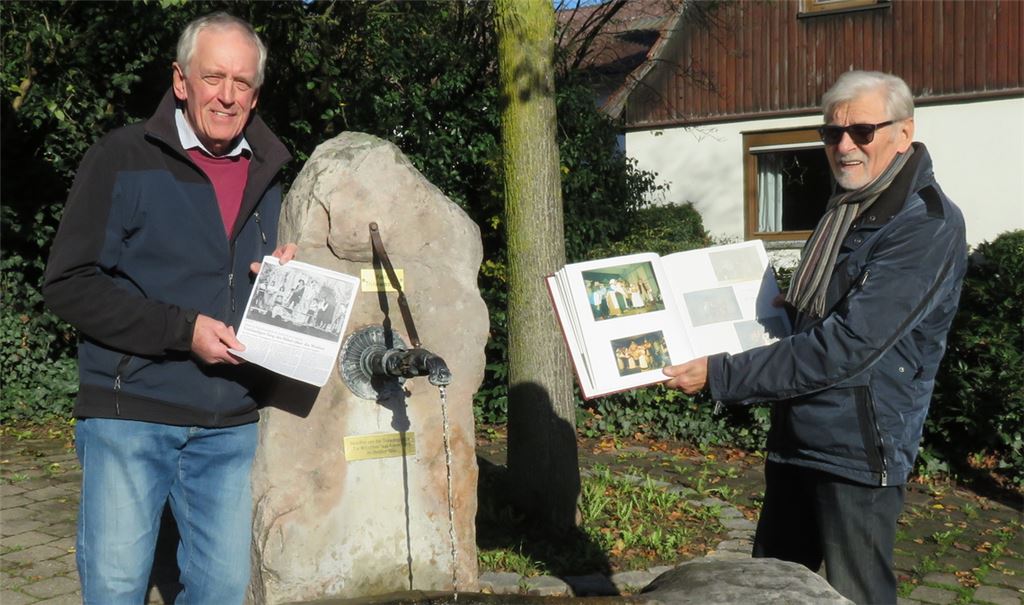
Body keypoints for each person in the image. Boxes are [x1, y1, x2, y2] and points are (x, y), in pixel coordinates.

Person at [663, 71, 967, 605]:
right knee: (773, 589)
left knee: (857, 595)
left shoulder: (924, 224)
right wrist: (793, 304)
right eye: (831, 134)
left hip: (857, 449)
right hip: (799, 432)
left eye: (863, 132)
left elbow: (849, 344)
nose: (844, 146)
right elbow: (836, 305)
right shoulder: (850, 207)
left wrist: (721, 373)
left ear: (905, 131)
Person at [43, 12, 295, 604]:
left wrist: (282, 283)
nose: (227, 96)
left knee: (221, 592)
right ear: (181, 81)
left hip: (227, 423)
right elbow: (69, 283)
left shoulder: (272, 178)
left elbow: (241, 288)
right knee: (115, 588)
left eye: (242, 83)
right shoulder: (122, 157)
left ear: (255, 96)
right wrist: (184, 332)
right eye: (213, 78)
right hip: (131, 415)